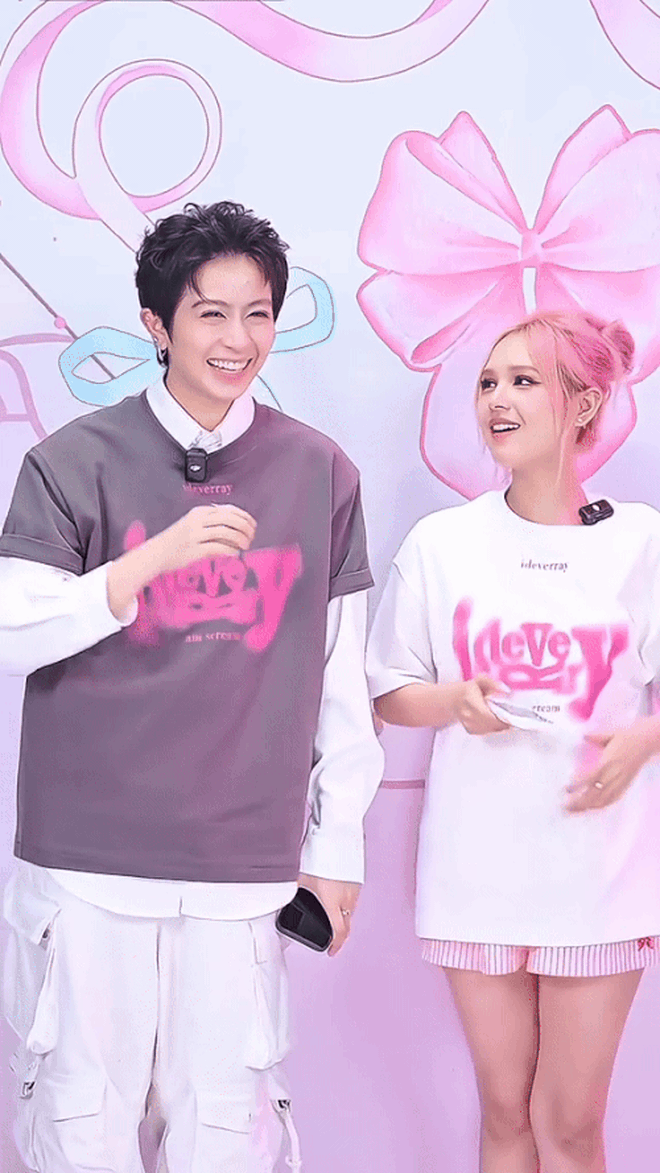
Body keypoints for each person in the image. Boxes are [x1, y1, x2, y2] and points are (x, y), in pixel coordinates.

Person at [0, 200, 384, 1173]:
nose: (237, 340)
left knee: (228, 1133)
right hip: (88, 865)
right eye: (211, 313)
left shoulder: (320, 473)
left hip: (241, 868)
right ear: (157, 325)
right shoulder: (71, 462)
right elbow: (13, 629)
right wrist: (143, 565)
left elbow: (342, 683)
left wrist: (336, 849)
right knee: (80, 1126)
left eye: (258, 314)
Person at [367, 311, 660, 1173]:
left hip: (598, 876)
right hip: (476, 874)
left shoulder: (640, 541)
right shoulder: (443, 544)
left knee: (568, 1122)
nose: (496, 398)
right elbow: (390, 689)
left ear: (584, 403)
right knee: (504, 1113)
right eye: (488, 382)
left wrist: (642, 739)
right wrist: (457, 701)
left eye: (524, 381)